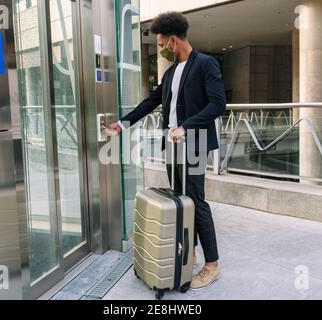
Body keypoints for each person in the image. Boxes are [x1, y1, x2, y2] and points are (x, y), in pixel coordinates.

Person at [106, 11, 226, 290]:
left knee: (196, 201)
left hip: (193, 142)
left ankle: (212, 265)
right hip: (173, 145)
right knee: (180, 201)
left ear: (173, 41)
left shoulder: (206, 64)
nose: (161, 48)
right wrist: (121, 125)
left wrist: (185, 126)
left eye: (161, 44)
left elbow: (218, 104)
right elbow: (150, 102)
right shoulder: (171, 72)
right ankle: (189, 253)